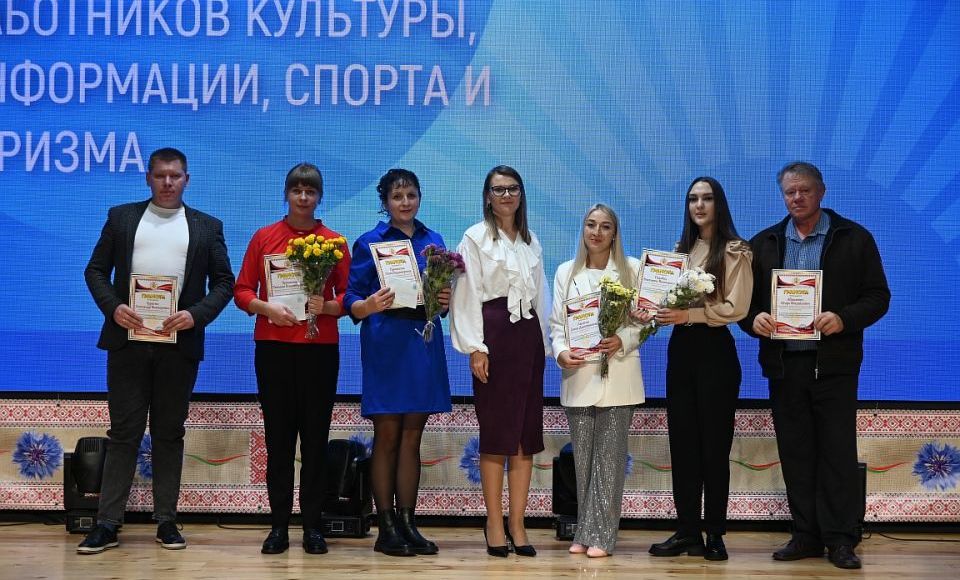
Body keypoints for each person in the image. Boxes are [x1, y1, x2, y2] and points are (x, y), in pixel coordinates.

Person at [79, 147, 235, 554]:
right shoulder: (121, 217)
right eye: (161, 175)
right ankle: (107, 524)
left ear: (187, 180)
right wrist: (114, 308)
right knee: (123, 434)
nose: (168, 182)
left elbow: (225, 283)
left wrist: (195, 315)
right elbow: (95, 270)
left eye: (175, 176)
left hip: (178, 346)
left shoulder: (207, 227)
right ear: (148, 177)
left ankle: (166, 521)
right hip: (127, 343)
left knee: (169, 433)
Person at [739, 162, 889, 570]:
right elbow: (742, 304)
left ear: (821, 192)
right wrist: (753, 320)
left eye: (804, 190)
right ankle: (805, 535)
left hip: (834, 367)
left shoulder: (854, 238)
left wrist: (844, 318)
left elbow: (878, 296)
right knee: (796, 453)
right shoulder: (764, 243)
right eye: (790, 192)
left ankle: (840, 539)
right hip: (785, 366)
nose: (797, 198)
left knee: (837, 455)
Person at [233, 163, 351, 555]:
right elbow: (242, 291)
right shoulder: (264, 237)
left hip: (320, 351)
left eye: (310, 191)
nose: (303, 197)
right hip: (274, 349)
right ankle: (279, 526)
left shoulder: (334, 242)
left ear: (319, 197)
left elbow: (349, 297)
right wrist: (265, 307)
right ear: (286, 194)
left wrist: (327, 307)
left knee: (315, 441)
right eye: (297, 190)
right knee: (279, 441)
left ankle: (313, 527)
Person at [641, 177, 753, 561]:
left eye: (707, 198)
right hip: (681, 351)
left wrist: (689, 314)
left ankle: (715, 533)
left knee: (714, 448)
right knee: (684, 446)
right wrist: (648, 310)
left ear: (719, 204)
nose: (699, 205)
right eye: (692, 199)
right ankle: (687, 531)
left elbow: (737, 307)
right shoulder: (679, 252)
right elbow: (662, 302)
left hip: (715, 351)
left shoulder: (736, 251)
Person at [344, 169, 452, 557]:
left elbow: (442, 300)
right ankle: (385, 527)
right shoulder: (369, 242)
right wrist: (368, 305)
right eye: (397, 196)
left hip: (421, 343)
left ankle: (408, 524)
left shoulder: (434, 241)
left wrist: (444, 301)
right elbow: (350, 298)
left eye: (411, 195)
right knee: (387, 436)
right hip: (386, 344)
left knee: (412, 437)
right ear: (385, 202)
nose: (405, 202)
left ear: (419, 197)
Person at [449, 165, 549, 558]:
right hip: (494, 336)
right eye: (498, 189)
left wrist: (545, 345)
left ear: (521, 195)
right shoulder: (475, 237)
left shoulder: (531, 240)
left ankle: (518, 525)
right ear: (488, 197)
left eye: (513, 188)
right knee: (496, 434)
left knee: (525, 436)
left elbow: (540, 296)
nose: (506, 195)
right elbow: (466, 293)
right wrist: (476, 346)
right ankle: (493, 523)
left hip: (528, 338)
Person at [548, 204, 644, 558]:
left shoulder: (631, 269)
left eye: (605, 226)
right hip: (579, 375)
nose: (597, 232)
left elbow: (646, 321)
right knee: (584, 461)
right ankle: (585, 531)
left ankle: (602, 535)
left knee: (610, 462)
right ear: (583, 229)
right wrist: (561, 352)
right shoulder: (566, 272)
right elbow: (556, 325)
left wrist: (623, 339)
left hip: (619, 376)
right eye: (591, 225)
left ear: (614, 233)